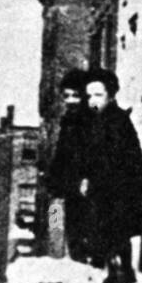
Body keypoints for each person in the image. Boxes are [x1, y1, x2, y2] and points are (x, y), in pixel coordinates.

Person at [78, 69, 142, 283]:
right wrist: (86, 177)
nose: (92, 101)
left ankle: (119, 271)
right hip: (101, 185)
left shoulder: (119, 121)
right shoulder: (93, 123)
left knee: (115, 229)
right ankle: (120, 269)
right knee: (105, 230)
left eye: (98, 95)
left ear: (110, 95)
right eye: (89, 96)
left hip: (119, 186)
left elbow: (127, 156)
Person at [41, 68, 92, 263]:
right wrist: (54, 181)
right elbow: (62, 155)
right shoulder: (67, 122)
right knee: (71, 229)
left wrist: (87, 177)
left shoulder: (93, 120)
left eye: (75, 96)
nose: (70, 101)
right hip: (70, 187)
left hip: (88, 186)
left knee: (89, 230)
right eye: (67, 96)